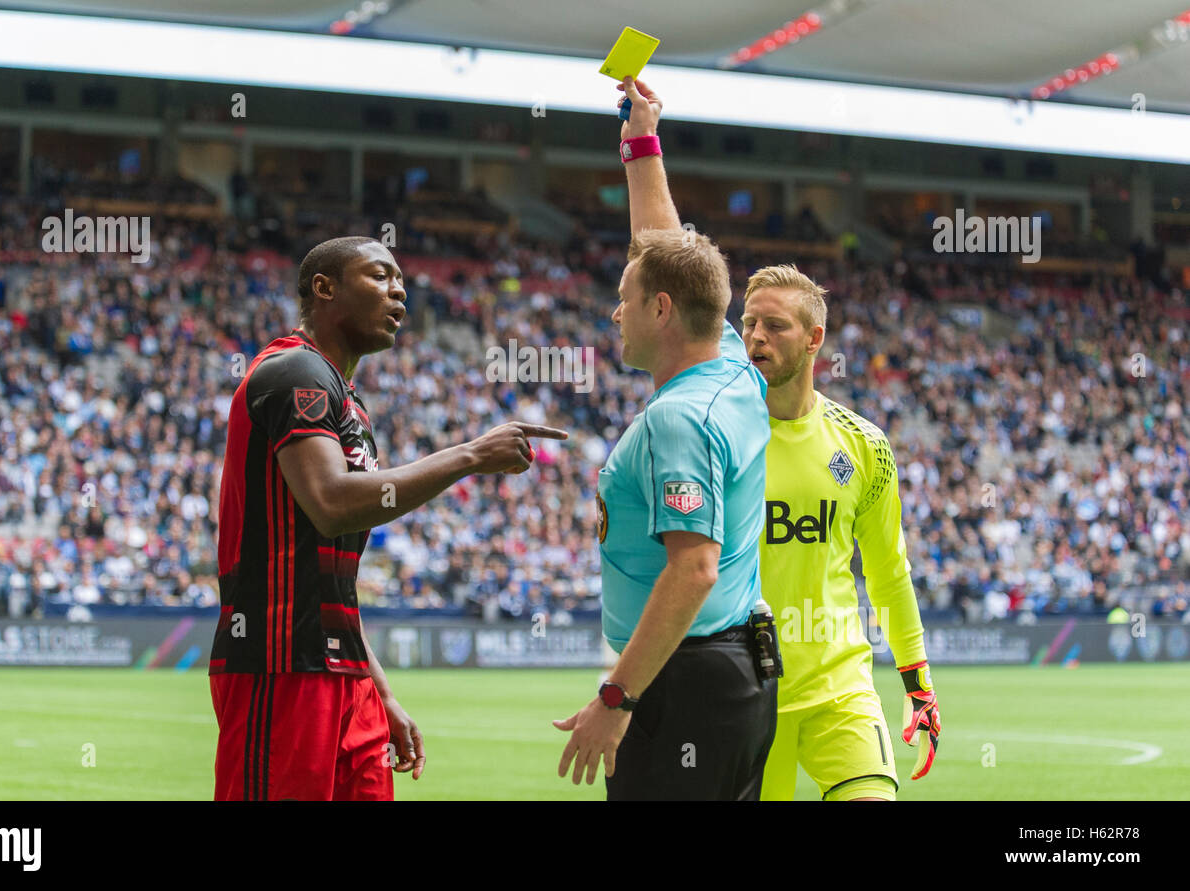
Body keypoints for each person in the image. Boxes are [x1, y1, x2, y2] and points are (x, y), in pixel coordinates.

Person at [209, 235, 566, 801]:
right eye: (380, 276)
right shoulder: (293, 370)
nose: (399, 292)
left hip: (344, 675)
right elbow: (330, 503)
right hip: (279, 666)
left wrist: (381, 692)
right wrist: (470, 455)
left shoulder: (348, 403)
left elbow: (333, 580)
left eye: (402, 281)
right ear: (324, 288)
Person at [553, 78, 775, 800]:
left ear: (661, 309)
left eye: (623, 300)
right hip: (728, 677)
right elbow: (664, 250)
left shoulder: (679, 419)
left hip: (686, 684)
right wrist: (641, 144)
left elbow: (693, 569)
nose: (613, 314)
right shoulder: (733, 363)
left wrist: (616, 701)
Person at [739, 263, 940, 800]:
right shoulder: (719, 437)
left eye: (775, 325)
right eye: (749, 322)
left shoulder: (864, 446)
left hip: (840, 688)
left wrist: (917, 683)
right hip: (746, 693)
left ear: (814, 339)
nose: (757, 336)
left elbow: (888, 574)